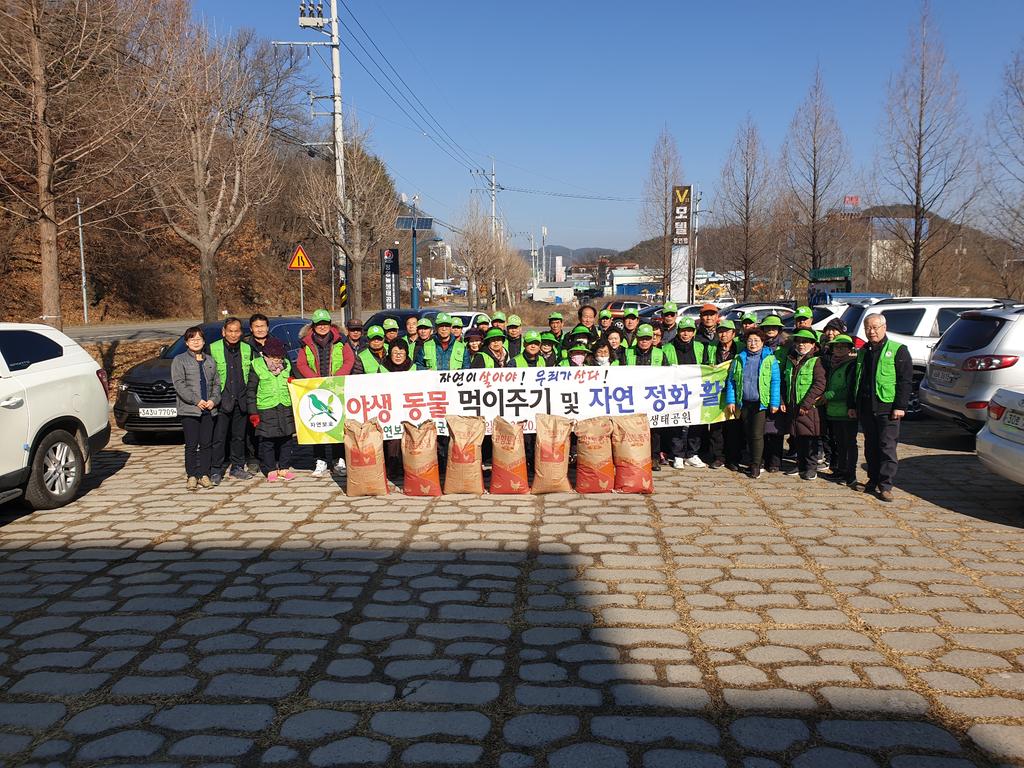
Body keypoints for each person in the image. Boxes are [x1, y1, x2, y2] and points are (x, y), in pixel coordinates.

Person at [849, 313, 913, 502]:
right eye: (868, 328)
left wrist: (900, 406)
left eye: (875, 327)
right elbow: (857, 381)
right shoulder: (863, 351)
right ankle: (872, 480)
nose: (871, 331)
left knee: (887, 447)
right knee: (871, 446)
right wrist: (853, 405)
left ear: (884, 327)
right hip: (867, 407)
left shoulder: (898, 350)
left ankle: (885, 485)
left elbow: (905, 380)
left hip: (887, 406)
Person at [296, 308, 354, 476]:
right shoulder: (305, 343)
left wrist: (336, 378)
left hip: (336, 387)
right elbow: (301, 364)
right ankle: (320, 460)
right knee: (318, 425)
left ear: (330, 324)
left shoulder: (341, 341)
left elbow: (349, 360)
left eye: (325, 323)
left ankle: (338, 460)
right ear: (313, 326)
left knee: (336, 424)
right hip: (316, 387)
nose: (322, 327)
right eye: (319, 324)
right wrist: (316, 380)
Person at [725, 328, 781, 479]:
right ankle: (754, 460)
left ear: (763, 342)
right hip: (744, 402)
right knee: (747, 433)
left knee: (756, 434)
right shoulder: (739, 358)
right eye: (750, 341)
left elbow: (775, 382)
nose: (753, 344)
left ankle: (756, 465)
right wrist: (731, 400)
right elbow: (731, 381)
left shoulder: (770, 359)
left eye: (756, 341)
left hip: (760, 403)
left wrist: (774, 402)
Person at [172, 326, 221, 490]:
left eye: (199, 339)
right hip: (190, 410)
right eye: (192, 339)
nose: (196, 342)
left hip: (209, 409)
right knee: (191, 445)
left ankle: (204, 475)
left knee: (207, 444)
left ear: (204, 341)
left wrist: (213, 400)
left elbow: (216, 384)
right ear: (187, 342)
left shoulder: (210, 360)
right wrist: (196, 400)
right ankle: (192, 476)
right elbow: (179, 384)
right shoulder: (179, 360)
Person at [209, 317, 253, 485]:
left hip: (241, 400)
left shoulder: (247, 349)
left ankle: (237, 467)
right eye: (230, 331)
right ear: (224, 332)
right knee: (219, 438)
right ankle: (216, 470)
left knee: (239, 437)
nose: (234, 334)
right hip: (222, 400)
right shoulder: (213, 348)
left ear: (241, 333)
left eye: (237, 331)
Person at [246, 337, 295, 482]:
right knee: (267, 441)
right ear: (266, 355)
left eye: (279, 356)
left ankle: (284, 468)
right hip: (266, 408)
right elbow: (251, 391)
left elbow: (296, 380)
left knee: (286, 439)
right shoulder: (256, 365)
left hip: (285, 406)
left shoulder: (287, 364)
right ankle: (270, 468)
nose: (277, 360)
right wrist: (253, 412)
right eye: (273, 356)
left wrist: (293, 382)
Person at [782, 329, 826, 480]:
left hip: (808, 408)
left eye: (805, 342)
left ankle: (811, 468)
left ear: (813, 344)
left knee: (810, 436)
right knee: (798, 437)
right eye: (798, 341)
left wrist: (806, 404)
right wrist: (784, 401)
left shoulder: (817, 360)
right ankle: (800, 464)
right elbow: (785, 382)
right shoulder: (790, 359)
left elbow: (819, 384)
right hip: (793, 405)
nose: (801, 345)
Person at [625, 324, 668, 469]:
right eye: (641, 338)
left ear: (652, 339)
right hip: (633, 396)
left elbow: (668, 375)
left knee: (654, 429)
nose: (644, 341)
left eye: (647, 338)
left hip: (653, 397)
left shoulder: (660, 353)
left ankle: (654, 457)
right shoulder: (628, 352)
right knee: (633, 428)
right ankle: (634, 456)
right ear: (637, 338)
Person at [669, 316, 708, 470]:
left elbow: (706, 367)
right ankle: (678, 455)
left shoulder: (700, 347)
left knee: (696, 422)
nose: (686, 334)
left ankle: (692, 454)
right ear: (678, 332)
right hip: (676, 391)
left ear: (694, 332)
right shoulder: (668, 347)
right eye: (683, 331)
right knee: (677, 422)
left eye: (689, 331)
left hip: (695, 390)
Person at [823, 334, 859, 487]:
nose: (839, 349)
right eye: (836, 347)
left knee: (849, 443)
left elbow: (849, 388)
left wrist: (830, 395)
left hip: (846, 410)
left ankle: (850, 474)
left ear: (849, 349)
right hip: (834, 411)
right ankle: (840, 470)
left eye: (843, 347)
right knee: (839, 443)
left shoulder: (851, 364)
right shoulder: (832, 364)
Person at [707, 320, 742, 470]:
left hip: (734, 391)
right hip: (715, 392)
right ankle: (718, 457)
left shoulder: (741, 348)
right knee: (716, 427)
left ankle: (733, 458)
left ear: (733, 334)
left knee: (734, 427)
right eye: (720, 331)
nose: (723, 334)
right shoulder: (711, 348)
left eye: (727, 331)